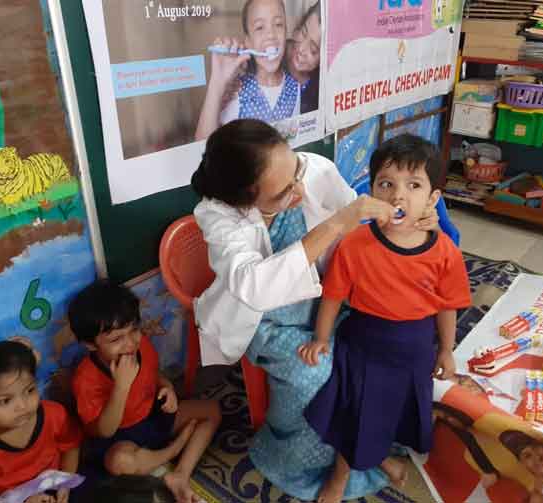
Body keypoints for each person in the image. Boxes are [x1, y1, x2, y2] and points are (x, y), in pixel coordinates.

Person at [190, 118, 447, 500]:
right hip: (265, 322)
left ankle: (365, 453)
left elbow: (368, 228)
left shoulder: (314, 169)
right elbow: (254, 287)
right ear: (245, 199)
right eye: (283, 193)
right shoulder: (218, 215)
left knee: (375, 352)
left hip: (326, 299)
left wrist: (419, 224)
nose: (299, 188)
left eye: (296, 172)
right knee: (317, 375)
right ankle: (323, 466)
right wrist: (338, 224)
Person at [299, 135, 472, 502]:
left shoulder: (444, 251)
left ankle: (382, 459)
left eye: (414, 186)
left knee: (396, 412)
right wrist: (321, 338)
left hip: (415, 351)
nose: (398, 196)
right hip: (364, 346)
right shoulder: (355, 243)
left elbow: (447, 305)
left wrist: (446, 349)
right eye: (386, 184)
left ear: (433, 200)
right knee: (357, 417)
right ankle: (340, 477)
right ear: (371, 191)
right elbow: (333, 296)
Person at [68, 281, 221, 503]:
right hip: (119, 438)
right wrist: (121, 386)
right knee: (120, 463)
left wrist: (166, 386)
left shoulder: (143, 346)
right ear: (91, 345)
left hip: (152, 417)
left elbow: (154, 373)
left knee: (212, 410)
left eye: (133, 330)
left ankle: (180, 475)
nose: (130, 343)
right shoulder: (85, 378)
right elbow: (104, 431)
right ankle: (172, 451)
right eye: (116, 339)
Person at [0, 341, 82, 503]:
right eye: (5, 400)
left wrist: (65, 483)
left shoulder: (54, 414)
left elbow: (71, 446)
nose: (22, 406)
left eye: (30, 390)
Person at [195, 0, 299, 141]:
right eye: (260, 27)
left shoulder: (296, 89)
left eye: (278, 24)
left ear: (286, 33)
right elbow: (203, 145)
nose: (271, 35)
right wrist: (217, 83)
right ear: (248, 42)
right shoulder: (236, 92)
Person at [286, 1, 321, 114]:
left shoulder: (321, 86)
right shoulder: (275, 55)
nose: (301, 49)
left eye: (313, 50)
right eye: (303, 32)